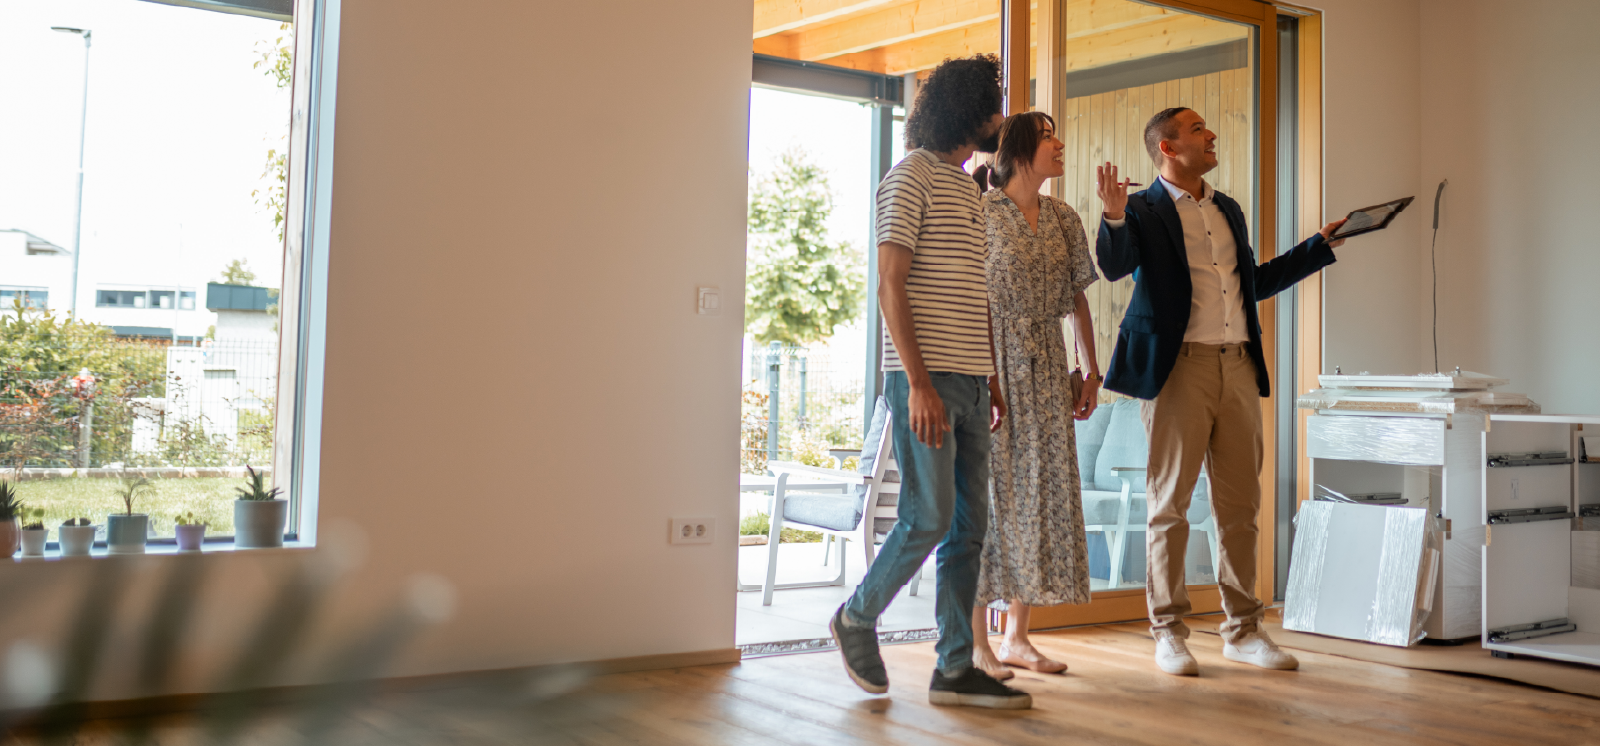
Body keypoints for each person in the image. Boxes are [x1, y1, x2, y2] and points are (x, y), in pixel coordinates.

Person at [1095, 107, 1346, 676]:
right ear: (1168, 147)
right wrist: (1111, 216)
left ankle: (1243, 630)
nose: (1211, 135)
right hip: (1177, 368)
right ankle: (1169, 632)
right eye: (1198, 130)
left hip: (1237, 366)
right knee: (1170, 509)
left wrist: (1315, 246)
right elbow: (1113, 268)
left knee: (1241, 508)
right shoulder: (1141, 208)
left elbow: (1249, 283)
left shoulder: (1225, 207)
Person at [828, 54, 1031, 710]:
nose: (1001, 116)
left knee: (970, 528)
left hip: (973, 380)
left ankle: (953, 667)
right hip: (927, 380)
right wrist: (916, 383)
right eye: (992, 105)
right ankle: (857, 617)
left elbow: (974, 294)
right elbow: (891, 282)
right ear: (964, 110)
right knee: (928, 514)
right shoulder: (909, 175)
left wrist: (991, 377)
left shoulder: (972, 191)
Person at [968, 112, 1099, 680]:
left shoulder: (1065, 217)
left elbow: (1078, 299)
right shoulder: (982, 212)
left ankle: (1018, 636)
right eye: (1049, 137)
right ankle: (977, 644)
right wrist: (988, 373)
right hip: (992, 366)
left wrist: (1090, 370)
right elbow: (974, 300)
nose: (1060, 143)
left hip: (1048, 367)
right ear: (1020, 149)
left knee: (1042, 495)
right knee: (991, 501)